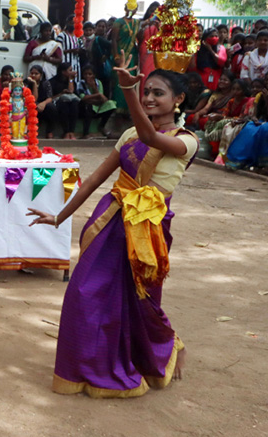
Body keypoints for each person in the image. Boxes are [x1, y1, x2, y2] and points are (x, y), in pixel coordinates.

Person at [28, 64, 198, 399]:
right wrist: (59, 217)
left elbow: (151, 138)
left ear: (178, 99)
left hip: (148, 229)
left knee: (142, 299)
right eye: (146, 91)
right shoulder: (129, 135)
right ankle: (88, 368)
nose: (149, 97)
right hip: (111, 220)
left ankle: (169, 346)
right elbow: (93, 180)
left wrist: (128, 92)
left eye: (157, 92)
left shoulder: (186, 141)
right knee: (85, 293)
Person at [78, 64, 115, 139]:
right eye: (85, 74)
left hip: (97, 106)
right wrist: (98, 95)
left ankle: (101, 126)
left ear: (94, 75)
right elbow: (83, 98)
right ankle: (86, 133)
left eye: (90, 74)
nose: (87, 76)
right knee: (88, 106)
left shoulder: (98, 83)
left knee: (111, 104)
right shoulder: (81, 83)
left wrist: (94, 88)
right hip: (86, 107)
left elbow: (102, 99)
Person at [49, 62, 81, 139]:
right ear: (63, 72)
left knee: (74, 104)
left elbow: (71, 91)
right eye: (70, 70)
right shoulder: (53, 82)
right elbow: (51, 97)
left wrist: (70, 79)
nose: (72, 72)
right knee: (64, 105)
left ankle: (71, 132)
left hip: (71, 102)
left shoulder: (71, 82)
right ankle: (66, 132)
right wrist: (61, 93)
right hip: (58, 102)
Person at [56, 15, 85, 81]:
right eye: (72, 23)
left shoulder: (78, 37)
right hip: (65, 65)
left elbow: (83, 49)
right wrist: (71, 50)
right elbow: (58, 51)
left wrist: (79, 51)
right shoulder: (61, 36)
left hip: (76, 66)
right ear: (68, 23)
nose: (74, 25)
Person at [138, 2, 160, 79]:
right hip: (145, 51)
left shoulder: (162, 24)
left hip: (157, 53)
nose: (153, 13)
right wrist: (144, 26)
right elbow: (138, 38)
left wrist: (159, 28)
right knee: (145, 74)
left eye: (156, 11)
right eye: (152, 10)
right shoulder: (142, 23)